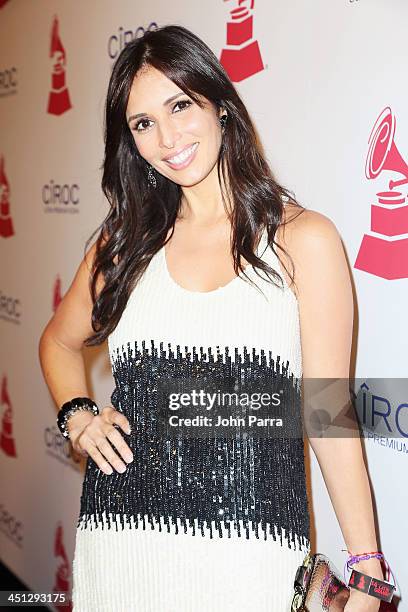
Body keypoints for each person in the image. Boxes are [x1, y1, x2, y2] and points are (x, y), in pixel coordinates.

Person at [39, 24, 385, 612]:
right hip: (121, 549)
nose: (167, 136)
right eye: (143, 123)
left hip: (254, 557)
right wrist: (77, 413)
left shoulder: (304, 240)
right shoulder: (122, 247)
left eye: (180, 105)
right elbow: (58, 342)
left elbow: (328, 410)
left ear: (220, 105)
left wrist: (367, 567)